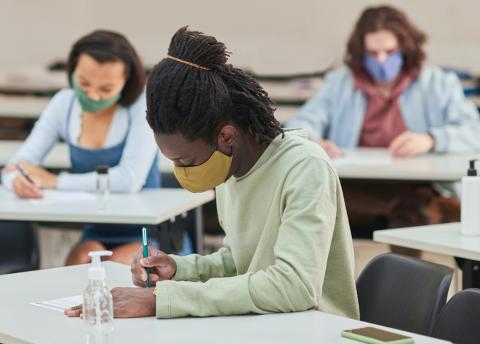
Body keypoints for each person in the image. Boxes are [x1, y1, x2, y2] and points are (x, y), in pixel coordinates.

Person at [66, 27, 359, 319]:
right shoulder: (229, 167)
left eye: (186, 160)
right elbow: (238, 263)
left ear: (226, 137)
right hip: (263, 324)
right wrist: (179, 269)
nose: (182, 172)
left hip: (316, 329)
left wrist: (161, 299)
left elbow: (294, 286)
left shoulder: (305, 168)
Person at [286, 5, 480, 253]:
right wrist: (311, 140)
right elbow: (301, 124)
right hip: (357, 188)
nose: (381, 60)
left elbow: (474, 131)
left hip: (417, 186)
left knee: (412, 208)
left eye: (389, 51)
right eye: (372, 52)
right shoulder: (340, 83)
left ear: (406, 48)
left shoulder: (438, 83)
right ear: (360, 52)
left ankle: (405, 289)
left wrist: (432, 139)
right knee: (314, 197)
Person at [1, 30, 189, 264]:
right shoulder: (64, 103)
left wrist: (55, 181)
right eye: (84, 83)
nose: (93, 96)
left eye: (106, 89)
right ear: (72, 73)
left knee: (120, 265)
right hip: (97, 230)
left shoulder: (142, 106)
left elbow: (129, 179)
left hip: (148, 232)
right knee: (81, 260)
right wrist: (17, 182)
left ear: (126, 82)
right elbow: (16, 166)